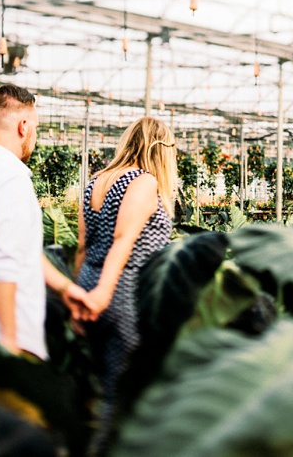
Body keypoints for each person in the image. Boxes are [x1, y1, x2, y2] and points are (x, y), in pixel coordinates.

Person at [0, 84, 91, 370]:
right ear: (24, 127)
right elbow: (1, 264)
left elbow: (17, 247)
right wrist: (9, 345)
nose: (34, 137)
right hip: (0, 352)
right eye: (35, 128)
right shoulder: (11, 179)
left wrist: (64, 288)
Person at [74, 116, 176, 444]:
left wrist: (81, 295)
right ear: (159, 148)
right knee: (129, 394)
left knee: (104, 386)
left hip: (92, 285)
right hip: (126, 293)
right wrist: (104, 292)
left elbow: (81, 246)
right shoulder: (143, 182)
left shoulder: (95, 181)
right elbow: (123, 239)